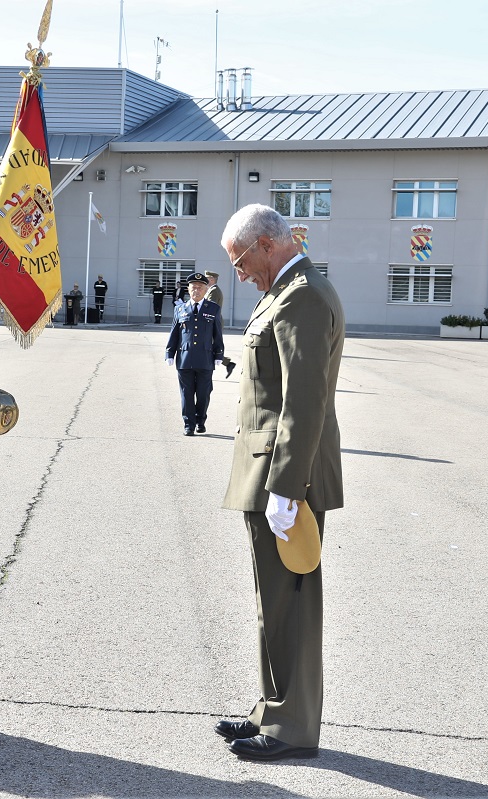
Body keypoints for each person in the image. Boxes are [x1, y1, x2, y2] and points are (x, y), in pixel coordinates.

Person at [215, 204, 344, 762]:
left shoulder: (304, 297)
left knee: (292, 601)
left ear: (268, 244)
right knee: (274, 600)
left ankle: (292, 728)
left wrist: (287, 487)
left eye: (240, 259)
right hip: (267, 471)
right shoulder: (284, 292)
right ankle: (272, 709)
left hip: (288, 476)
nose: (239, 273)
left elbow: (304, 401)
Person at [164, 273, 224, 436]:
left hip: (205, 359)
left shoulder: (213, 308)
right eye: (193, 287)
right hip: (185, 358)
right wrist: (169, 352)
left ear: (205, 290)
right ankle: (188, 424)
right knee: (186, 393)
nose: (196, 290)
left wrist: (219, 354)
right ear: (188, 289)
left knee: (204, 393)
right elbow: (174, 333)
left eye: (200, 287)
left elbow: (217, 333)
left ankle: (200, 420)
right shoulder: (180, 309)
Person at [204, 271, 236, 378]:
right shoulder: (212, 290)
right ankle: (227, 363)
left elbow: (209, 308)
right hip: (212, 322)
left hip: (212, 322)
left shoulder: (214, 291)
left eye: (207, 278)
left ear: (212, 279)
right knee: (209, 347)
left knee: (208, 347)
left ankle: (209, 370)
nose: (205, 280)